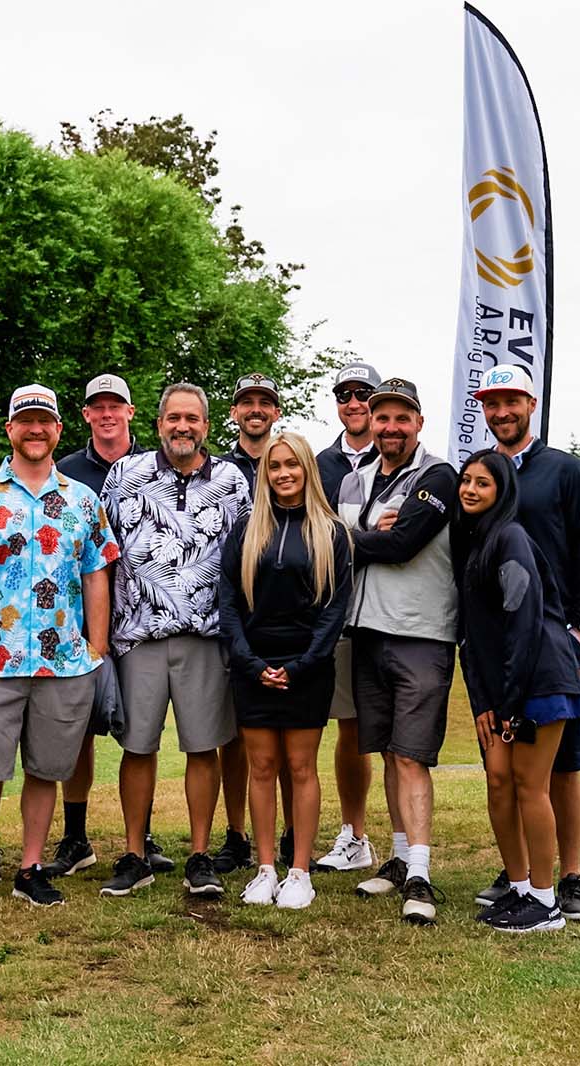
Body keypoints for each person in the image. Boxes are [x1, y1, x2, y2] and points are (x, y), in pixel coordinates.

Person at [0, 384, 119, 919]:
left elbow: (97, 575)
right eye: (25, 421)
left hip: (63, 662)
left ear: (59, 430)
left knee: (46, 771)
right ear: (9, 430)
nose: (35, 429)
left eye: (45, 421)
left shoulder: (83, 501)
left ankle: (31, 868)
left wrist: (98, 647)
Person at [98, 383, 251, 898]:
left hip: (205, 637)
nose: (182, 426)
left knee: (202, 747)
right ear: (159, 423)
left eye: (192, 418)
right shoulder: (125, 474)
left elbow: (246, 558)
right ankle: (134, 854)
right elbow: (101, 551)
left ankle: (200, 855)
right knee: (137, 746)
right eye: (173, 418)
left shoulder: (231, 481)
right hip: (139, 634)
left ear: (207, 426)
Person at [473, 363, 580, 922]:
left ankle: (568, 878)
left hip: (553, 642)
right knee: (510, 768)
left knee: (561, 766)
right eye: (491, 403)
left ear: (531, 403)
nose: (501, 411)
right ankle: (523, 875)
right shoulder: (482, 475)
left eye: (511, 401)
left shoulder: (563, 471)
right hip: (501, 648)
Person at [451, 449, 580, 933]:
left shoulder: (510, 536)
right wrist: (483, 706)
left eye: (482, 483)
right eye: (465, 480)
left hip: (541, 681)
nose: (469, 489)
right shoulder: (475, 542)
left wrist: (510, 705)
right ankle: (519, 889)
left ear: (503, 491)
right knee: (497, 779)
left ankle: (546, 902)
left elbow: (523, 623)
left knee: (531, 786)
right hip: (505, 690)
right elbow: (473, 639)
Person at [336, 378, 459, 925]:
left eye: (401, 418)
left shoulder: (437, 475)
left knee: (411, 755)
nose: (390, 427)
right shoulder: (358, 477)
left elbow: (404, 543)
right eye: (382, 417)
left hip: (421, 633)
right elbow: (335, 540)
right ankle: (400, 856)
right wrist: (366, 533)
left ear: (418, 423)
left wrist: (357, 535)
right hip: (368, 631)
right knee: (386, 750)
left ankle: (422, 874)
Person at [218, 432, 352, 909]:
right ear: (265, 473)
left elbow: (334, 611)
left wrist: (301, 666)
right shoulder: (246, 528)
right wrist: (252, 664)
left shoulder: (331, 532)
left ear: (307, 469)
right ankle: (265, 868)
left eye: (292, 465)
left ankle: (299, 872)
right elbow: (228, 602)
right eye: (274, 466)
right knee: (261, 767)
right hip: (253, 666)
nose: (283, 474)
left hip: (307, 667)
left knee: (300, 767)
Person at [49, 374, 165, 879]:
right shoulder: (66, 470)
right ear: (86, 415)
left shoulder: (155, 466)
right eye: (98, 406)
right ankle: (76, 836)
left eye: (116, 405)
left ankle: (141, 837)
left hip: (141, 617)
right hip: (78, 618)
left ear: (131, 412)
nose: (107, 413)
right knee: (78, 729)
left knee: (142, 731)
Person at [311, 362, 383, 874]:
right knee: (331, 725)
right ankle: (336, 833)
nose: (354, 403)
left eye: (364, 394)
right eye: (345, 394)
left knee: (367, 729)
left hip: (384, 612)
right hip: (328, 612)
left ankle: (372, 836)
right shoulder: (319, 463)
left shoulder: (401, 457)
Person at [213, 372, 284, 873]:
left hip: (285, 618)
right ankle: (237, 833)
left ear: (276, 412)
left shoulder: (294, 462)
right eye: (246, 403)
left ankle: (290, 831)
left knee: (288, 732)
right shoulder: (219, 469)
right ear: (235, 412)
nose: (255, 410)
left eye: (265, 402)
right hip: (236, 615)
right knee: (235, 733)